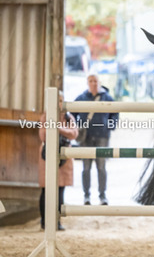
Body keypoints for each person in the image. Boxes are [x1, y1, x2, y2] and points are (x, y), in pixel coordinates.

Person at [73, 74, 119, 205]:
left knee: (101, 167)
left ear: (99, 82)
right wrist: (76, 127)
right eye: (91, 81)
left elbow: (115, 113)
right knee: (86, 168)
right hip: (86, 137)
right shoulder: (81, 98)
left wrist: (109, 126)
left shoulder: (107, 98)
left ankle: (102, 196)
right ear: (87, 83)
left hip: (102, 136)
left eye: (95, 81)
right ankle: (86, 196)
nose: (93, 83)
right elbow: (72, 114)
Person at [38, 91, 78, 230]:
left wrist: (57, 128)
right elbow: (43, 135)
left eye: (61, 101)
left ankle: (57, 221)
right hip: (48, 154)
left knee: (61, 189)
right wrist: (59, 129)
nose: (59, 104)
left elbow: (74, 133)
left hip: (64, 155)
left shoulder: (68, 117)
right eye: (57, 100)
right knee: (46, 190)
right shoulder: (45, 116)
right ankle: (44, 221)